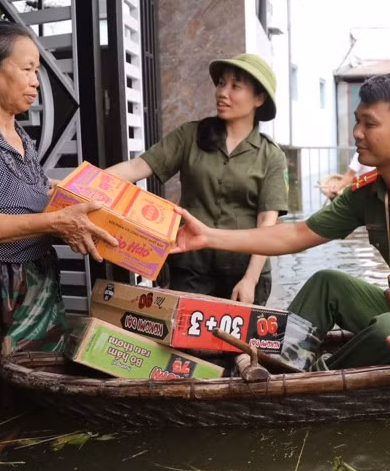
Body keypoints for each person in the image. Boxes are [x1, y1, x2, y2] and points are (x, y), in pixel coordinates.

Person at [172, 72, 390, 375]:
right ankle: (280, 365)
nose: (356, 132)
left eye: (369, 123)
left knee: (388, 328)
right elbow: (296, 233)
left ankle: (316, 378)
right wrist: (208, 236)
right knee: (328, 283)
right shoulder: (368, 192)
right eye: (357, 120)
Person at [0, 20, 117, 411]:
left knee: (39, 394)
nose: (35, 81)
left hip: (33, 283)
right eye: (26, 69)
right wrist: (53, 223)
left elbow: (26, 198)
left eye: (37, 71)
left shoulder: (21, 137)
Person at [105, 54, 287, 305]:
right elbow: (137, 167)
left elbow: (267, 222)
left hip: (243, 272)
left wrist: (250, 280)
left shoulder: (271, 155)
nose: (222, 92)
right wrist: (81, 182)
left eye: (235, 86)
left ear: (259, 98)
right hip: (190, 269)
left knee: (237, 344)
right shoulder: (190, 136)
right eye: (221, 83)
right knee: (184, 344)